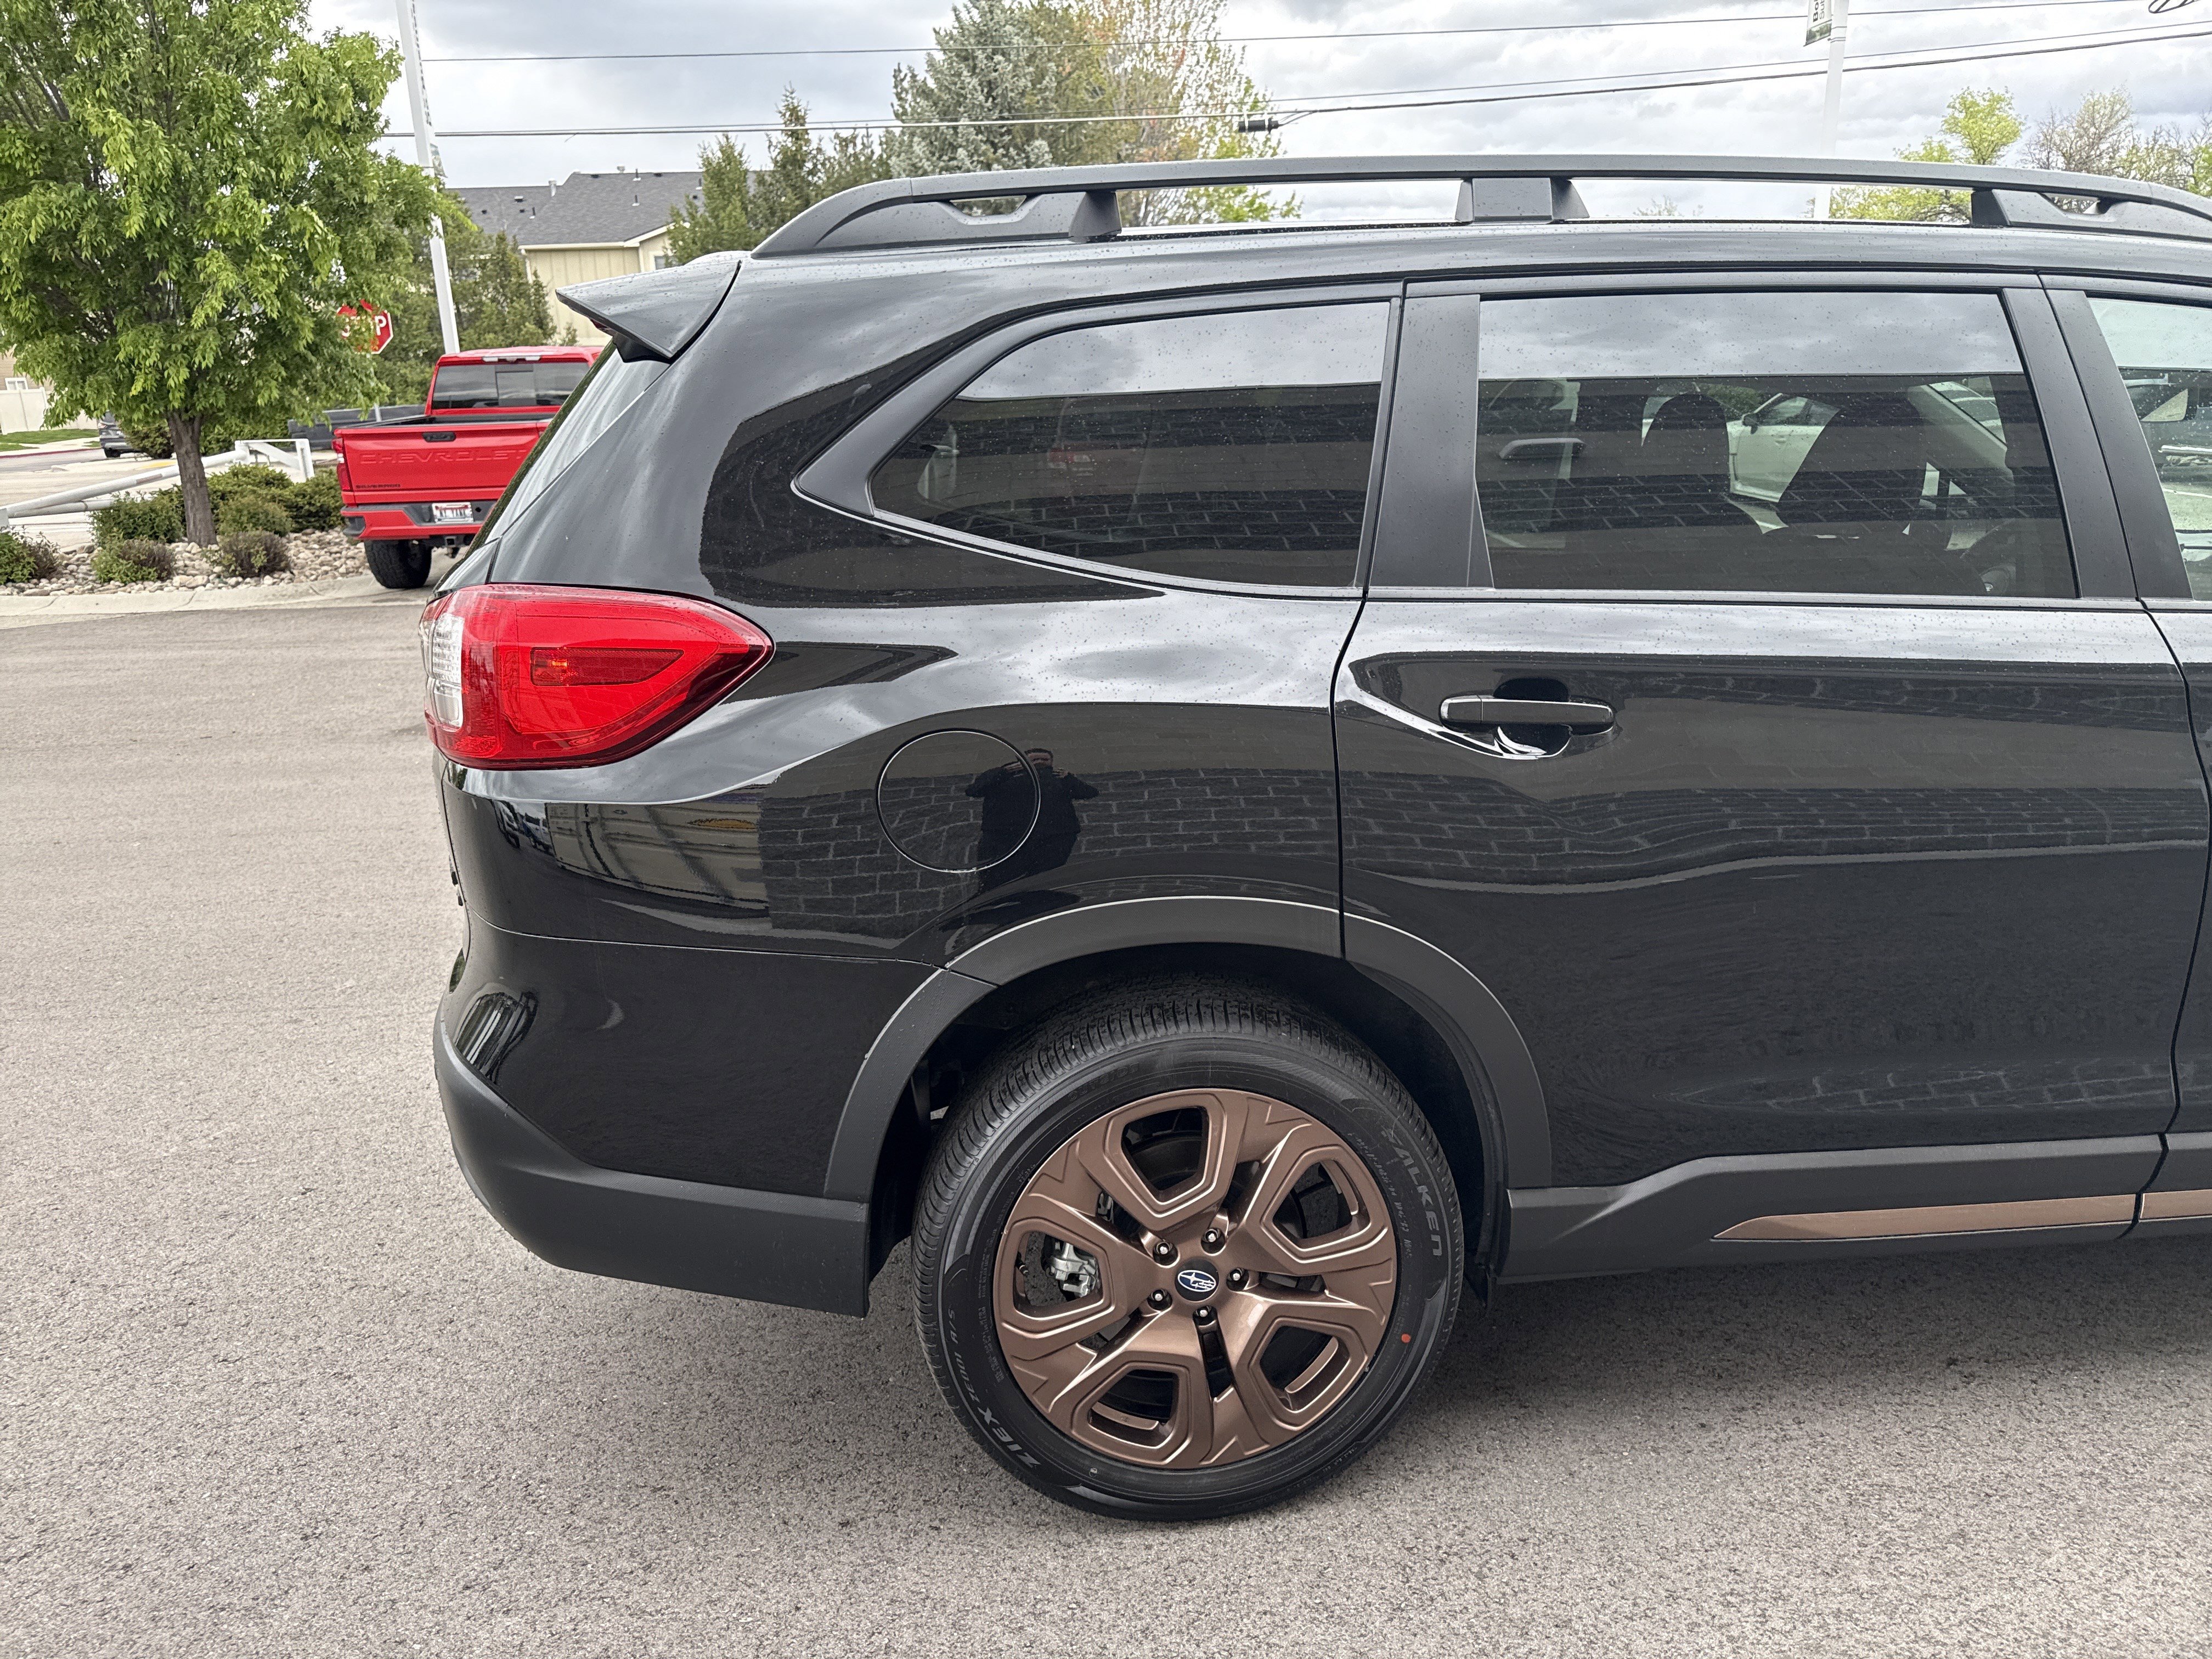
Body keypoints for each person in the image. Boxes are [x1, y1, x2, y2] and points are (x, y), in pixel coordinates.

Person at [967, 748, 1098, 890]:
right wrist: (1003, 772)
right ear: (1022, 762)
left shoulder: (1059, 777)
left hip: (1053, 836)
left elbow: (1089, 793)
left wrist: (1069, 778)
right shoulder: (1005, 776)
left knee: (1044, 881)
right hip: (1006, 836)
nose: (1040, 763)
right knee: (998, 882)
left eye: (1045, 760)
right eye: (1035, 760)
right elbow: (975, 790)